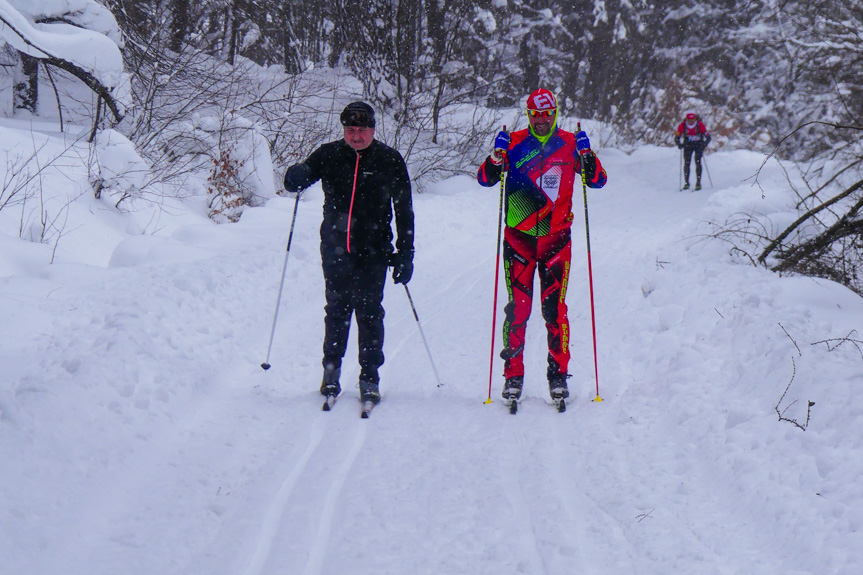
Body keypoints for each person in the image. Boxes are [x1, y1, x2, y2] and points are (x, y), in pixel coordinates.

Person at [476, 88, 607, 404]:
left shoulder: (570, 144)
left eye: (548, 113)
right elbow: (485, 179)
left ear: (556, 112)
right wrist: (496, 156)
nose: (543, 119)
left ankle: (558, 377)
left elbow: (598, 181)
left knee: (554, 311)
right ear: (529, 114)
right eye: (536, 114)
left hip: (556, 241)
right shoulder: (516, 142)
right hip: (518, 240)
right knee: (518, 310)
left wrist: (588, 156)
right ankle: (513, 377)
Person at [283, 101, 414, 405]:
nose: (356, 135)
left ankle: (369, 377)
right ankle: (331, 373)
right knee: (337, 311)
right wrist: (296, 175)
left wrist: (406, 252)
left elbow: (404, 209)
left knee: (369, 313)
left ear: (373, 129)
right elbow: (297, 180)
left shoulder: (389, 159)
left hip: (375, 250)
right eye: (350, 129)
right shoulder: (329, 154)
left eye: (362, 130)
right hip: (336, 248)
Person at [674, 112, 711, 190]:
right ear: (686, 120)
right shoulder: (683, 125)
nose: (691, 122)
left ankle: (698, 183)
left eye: (693, 120)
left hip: (698, 145)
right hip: (688, 145)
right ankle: (686, 183)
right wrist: (679, 144)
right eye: (689, 120)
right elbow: (677, 137)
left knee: (698, 162)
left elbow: (708, 137)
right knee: (687, 163)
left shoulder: (700, 125)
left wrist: (704, 144)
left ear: (695, 119)